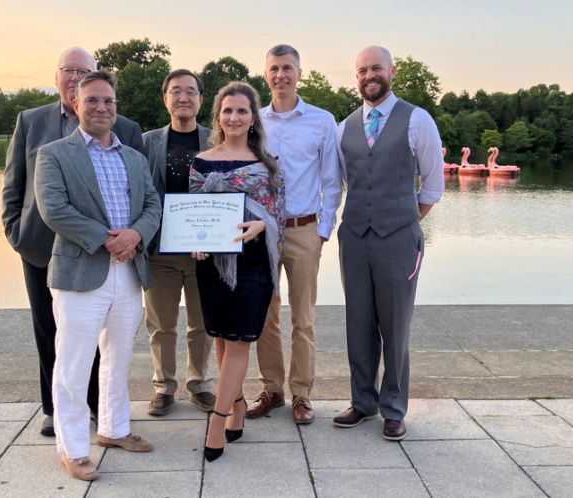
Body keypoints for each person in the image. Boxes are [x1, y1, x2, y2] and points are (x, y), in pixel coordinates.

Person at [2, 47, 146, 437]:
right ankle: (57, 413)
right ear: (60, 78)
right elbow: (14, 184)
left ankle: (103, 416)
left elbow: (144, 196)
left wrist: (132, 236)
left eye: (83, 70)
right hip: (41, 246)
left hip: (113, 257)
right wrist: (16, 230)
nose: (74, 76)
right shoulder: (31, 122)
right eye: (69, 70)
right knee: (52, 332)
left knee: (109, 343)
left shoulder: (127, 132)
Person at [34, 70, 161, 480]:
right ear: (76, 104)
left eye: (108, 101)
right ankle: (72, 448)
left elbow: (153, 205)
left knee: (118, 357)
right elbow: (53, 209)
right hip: (80, 274)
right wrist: (108, 239)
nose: (101, 108)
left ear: (115, 107)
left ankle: (113, 428)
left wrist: (137, 233)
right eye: (92, 100)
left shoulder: (135, 158)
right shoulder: (54, 154)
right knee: (73, 365)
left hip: (128, 274)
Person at [333, 46, 444, 440]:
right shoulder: (343, 127)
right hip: (354, 236)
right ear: (357, 76)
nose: (369, 75)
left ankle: (393, 408)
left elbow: (433, 185)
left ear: (391, 71)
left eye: (376, 68)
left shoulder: (418, 119)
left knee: (395, 325)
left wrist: (403, 221)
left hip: (399, 237)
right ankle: (362, 402)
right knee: (358, 322)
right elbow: (341, 182)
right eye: (361, 70)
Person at [246, 44, 342, 424]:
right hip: (261, 232)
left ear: (299, 73)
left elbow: (333, 181)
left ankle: (302, 394)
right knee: (265, 315)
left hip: (303, 230)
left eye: (288, 68)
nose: (281, 75)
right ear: (265, 74)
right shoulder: (253, 120)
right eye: (274, 68)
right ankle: (272, 389)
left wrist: (323, 229)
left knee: (303, 318)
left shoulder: (322, 121)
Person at [190, 82, 285, 462]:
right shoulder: (201, 162)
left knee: (240, 339)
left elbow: (278, 211)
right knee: (221, 337)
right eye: (227, 111)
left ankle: (218, 421)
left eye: (242, 111)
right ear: (218, 116)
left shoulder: (267, 164)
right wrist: (192, 241)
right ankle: (240, 405)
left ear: (253, 117)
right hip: (212, 263)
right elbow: (192, 213)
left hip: (253, 263)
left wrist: (263, 226)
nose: (234, 117)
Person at [142, 70, 216, 416]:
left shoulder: (216, 140)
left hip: (205, 252)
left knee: (202, 323)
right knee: (161, 325)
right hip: (160, 250)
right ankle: (164, 387)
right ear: (165, 98)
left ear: (201, 99)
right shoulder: (146, 143)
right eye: (176, 91)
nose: (183, 97)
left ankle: (199, 384)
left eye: (191, 91)